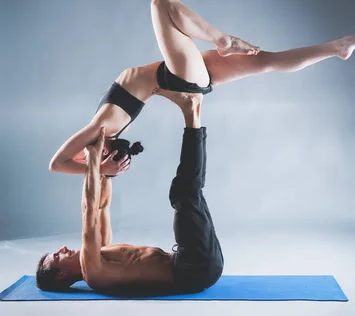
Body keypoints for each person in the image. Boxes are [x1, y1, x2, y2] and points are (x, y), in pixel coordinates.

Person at [48, 0, 355, 177]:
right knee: (161, 3)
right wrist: (103, 169)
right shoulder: (99, 131)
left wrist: (100, 168)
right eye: (103, 154)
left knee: (269, 61)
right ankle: (224, 39)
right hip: (177, 76)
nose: (93, 153)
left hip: (179, 75)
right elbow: (56, 164)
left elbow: (68, 162)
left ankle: (336, 48)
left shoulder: (103, 135)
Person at [36, 91, 224, 296]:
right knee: (185, 191)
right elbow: (88, 209)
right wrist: (93, 161)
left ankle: (194, 112)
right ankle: (191, 113)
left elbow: (100, 207)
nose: (62, 248)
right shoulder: (92, 271)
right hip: (192, 269)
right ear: (61, 275)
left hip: (196, 263)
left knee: (190, 190)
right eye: (57, 257)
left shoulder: (100, 254)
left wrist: (106, 173)